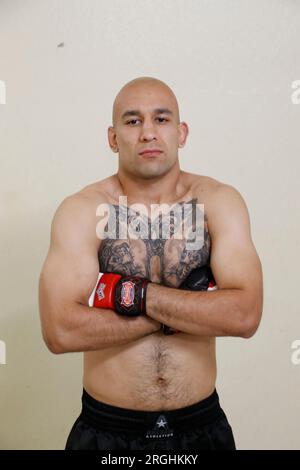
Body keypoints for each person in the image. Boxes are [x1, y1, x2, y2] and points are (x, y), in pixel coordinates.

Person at [38, 76, 263, 450]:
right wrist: (189, 308)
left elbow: (244, 316)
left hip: (200, 428)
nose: (148, 133)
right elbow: (60, 332)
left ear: (182, 132)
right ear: (113, 138)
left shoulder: (219, 203)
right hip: (108, 431)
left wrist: (131, 295)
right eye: (132, 121)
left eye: (161, 119)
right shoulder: (81, 210)